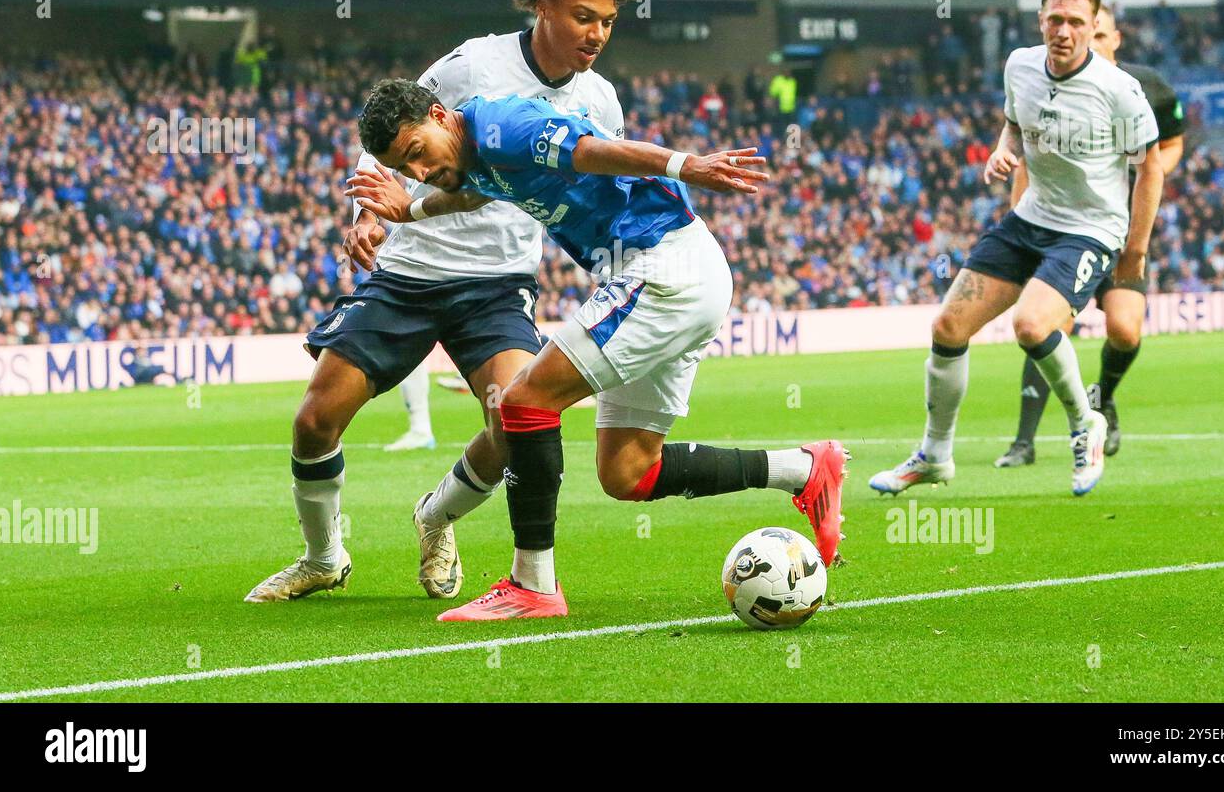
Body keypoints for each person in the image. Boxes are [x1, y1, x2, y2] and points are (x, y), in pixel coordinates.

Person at [347, 81, 849, 621]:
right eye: (406, 168)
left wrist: (686, 165)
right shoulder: (469, 152)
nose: (419, 174)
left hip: (663, 267)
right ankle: (803, 469)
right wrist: (412, 212)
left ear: (441, 116)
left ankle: (532, 586)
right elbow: (482, 190)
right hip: (678, 271)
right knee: (629, 472)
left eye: (418, 154)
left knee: (523, 403)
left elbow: (592, 150)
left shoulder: (505, 126)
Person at [244, 0, 636, 604]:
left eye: (606, 21)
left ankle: (436, 517)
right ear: (542, 7)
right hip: (409, 272)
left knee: (515, 424)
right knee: (315, 419)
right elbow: (388, 131)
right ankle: (323, 557)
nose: (596, 34)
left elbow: (603, 190)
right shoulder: (472, 66)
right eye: (582, 17)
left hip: (497, 283)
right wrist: (369, 214)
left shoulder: (599, 101)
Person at [870, 0, 1163, 498]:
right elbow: (1015, 121)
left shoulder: (1117, 90)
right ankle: (935, 455)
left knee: (1032, 325)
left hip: (1090, 229)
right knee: (948, 327)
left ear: (1093, 24)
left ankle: (1085, 423)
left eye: (1076, 21)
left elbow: (1151, 167)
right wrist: (1005, 148)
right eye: (1056, 19)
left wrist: (1136, 249)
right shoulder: (1020, 67)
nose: (1064, 31)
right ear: (1041, 20)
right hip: (1030, 218)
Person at [995, 3, 1185, 467]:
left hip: (1118, 230)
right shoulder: (1051, 86)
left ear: (1114, 39)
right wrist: (1020, 222)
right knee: (1044, 325)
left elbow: (1171, 144)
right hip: (1062, 230)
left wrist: (1145, 173)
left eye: (1097, 36)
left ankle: (1105, 400)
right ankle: (1024, 439)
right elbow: (1030, 159)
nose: (1087, 43)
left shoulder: (1141, 88)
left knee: (1124, 329)